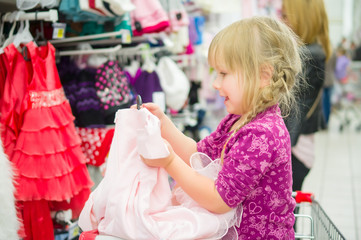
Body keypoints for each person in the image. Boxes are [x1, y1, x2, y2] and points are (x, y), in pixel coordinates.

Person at [137, 16, 303, 239]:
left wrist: (169, 162)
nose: (215, 83)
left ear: (264, 76)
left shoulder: (261, 134)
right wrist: (164, 125)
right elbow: (198, 155)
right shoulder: (237, 120)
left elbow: (220, 200)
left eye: (224, 74)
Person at [281, 0, 332, 192]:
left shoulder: (306, 56)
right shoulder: (312, 52)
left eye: (286, 16)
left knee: (286, 214)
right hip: (298, 146)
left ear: (303, 19)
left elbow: (293, 106)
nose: (281, 20)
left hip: (294, 149)